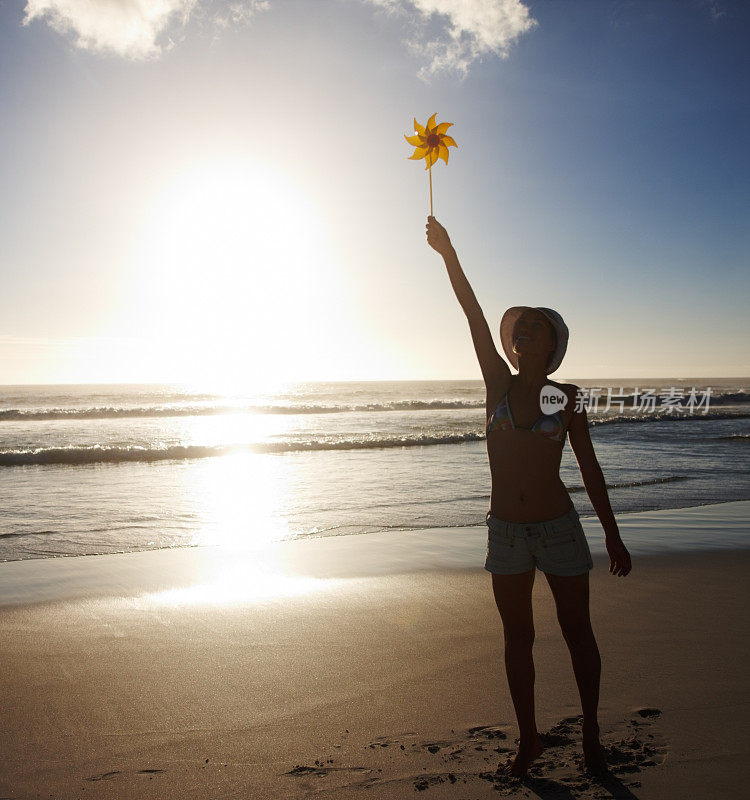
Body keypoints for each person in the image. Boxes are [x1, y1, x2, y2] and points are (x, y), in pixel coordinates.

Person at [425, 215, 632, 779]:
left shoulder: (564, 399)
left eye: (534, 328)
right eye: (518, 328)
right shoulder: (497, 382)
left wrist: (612, 533)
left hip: (560, 528)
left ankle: (589, 729)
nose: (521, 333)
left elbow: (589, 470)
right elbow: (472, 312)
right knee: (518, 638)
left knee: (577, 632)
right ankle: (530, 739)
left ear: (552, 344)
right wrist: (448, 254)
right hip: (506, 533)